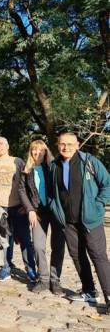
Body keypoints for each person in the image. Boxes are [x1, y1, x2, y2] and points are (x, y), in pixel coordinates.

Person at [48, 132, 110, 311]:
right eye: (62, 144)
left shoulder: (89, 161)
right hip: (68, 222)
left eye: (70, 144)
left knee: (98, 256)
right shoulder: (54, 165)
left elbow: (107, 184)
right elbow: (53, 192)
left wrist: (97, 205)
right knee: (77, 256)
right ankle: (89, 290)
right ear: (57, 145)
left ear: (78, 145)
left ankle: (108, 295)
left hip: (91, 220)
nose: (66, 147)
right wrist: (54, 207)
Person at [0, 136, 36, 282]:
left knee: (25, 239)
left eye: (1, 143)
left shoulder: (18, 161)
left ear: (7, 145)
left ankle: (31, 269)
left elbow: (28, 183)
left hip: (18, 207)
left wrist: (28, 205)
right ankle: (6, 268)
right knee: (4, 239)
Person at [18, 140, 65, 294]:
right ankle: (43, 279)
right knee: (38, 246)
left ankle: (55, 280)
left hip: (55, 211)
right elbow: (22, 191)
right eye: (34, 150)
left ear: (46, 152)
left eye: (40, 150)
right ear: (30, 152)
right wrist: (30, 209)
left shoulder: (53, 167)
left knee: (57, 246)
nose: (37, 153)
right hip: (37, 213)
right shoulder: (26, 170)